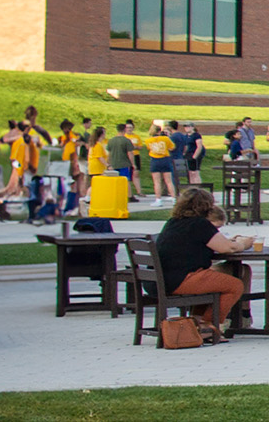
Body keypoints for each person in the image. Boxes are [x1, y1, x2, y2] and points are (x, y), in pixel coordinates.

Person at [154, 188, 250, 337]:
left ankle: (196, 322)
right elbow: (227, 247)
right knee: (234, 285)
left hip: (159, 280)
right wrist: (244, 244)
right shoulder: (199, 224)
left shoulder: (173, 222)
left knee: (218, 275)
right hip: (179, 279)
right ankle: (208, 327)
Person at [143, 125, 177, 206]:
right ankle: (173, 199)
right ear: (159, 131)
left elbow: (149, 148)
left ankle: (158, 200)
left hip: (155, 160)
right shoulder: (165, 139)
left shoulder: (148, 140)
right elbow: (172, 147)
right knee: (169, 181)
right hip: (165, 159)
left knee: (157, 182)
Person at [104, 123, 137, 199]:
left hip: (114, 163)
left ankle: (114, 195)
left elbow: (109, 153)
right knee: (126, 180)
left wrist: (109, 163)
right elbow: (130, 153)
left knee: (114, 180)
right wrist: (133, 164)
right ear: (124, 130)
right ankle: (129, 196)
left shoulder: (111, 141)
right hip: (124, 164)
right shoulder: (126, 141)